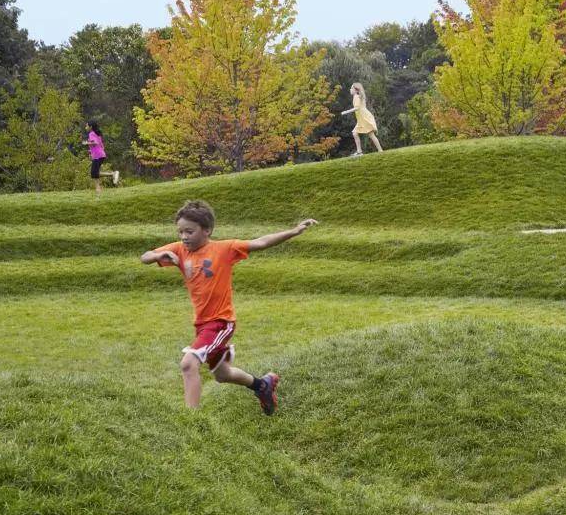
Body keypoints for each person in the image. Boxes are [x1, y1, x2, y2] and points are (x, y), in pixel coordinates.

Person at [141, 200, 318, 414]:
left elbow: (260, 243)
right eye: (180, 232)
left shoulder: (224, 249)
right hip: (202, 324)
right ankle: (263, 385)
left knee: (188, 364)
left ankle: (190, 421)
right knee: (222, 374)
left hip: (220, 322)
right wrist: (156, 255)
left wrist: (294, 231)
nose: (184, 237)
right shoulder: (179, 250)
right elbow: (146, 256)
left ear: (207, 230)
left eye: (189, 231)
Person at [341, 82, 383, 156]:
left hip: (364, 118)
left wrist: (346, 112)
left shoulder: (357, 97)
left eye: (351, 88)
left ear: (356, 90)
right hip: (362, 118)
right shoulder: (356, 97)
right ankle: (359, 151)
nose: (350, 89)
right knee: (355, 133)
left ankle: (380, 150)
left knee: (370, 134)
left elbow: (357, 108)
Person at [82, 121, 119, 194]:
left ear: (90, 127)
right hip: (101, 155)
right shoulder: (97, 134)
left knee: (94, 173)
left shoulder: (91, 134)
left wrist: (86, 143)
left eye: (86, 126)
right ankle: (99, 187)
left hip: (97, 156)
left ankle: (99, 188)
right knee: (94, 173)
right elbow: (101, 145)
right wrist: (91, 151)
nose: (85, 127)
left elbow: (95, 142)